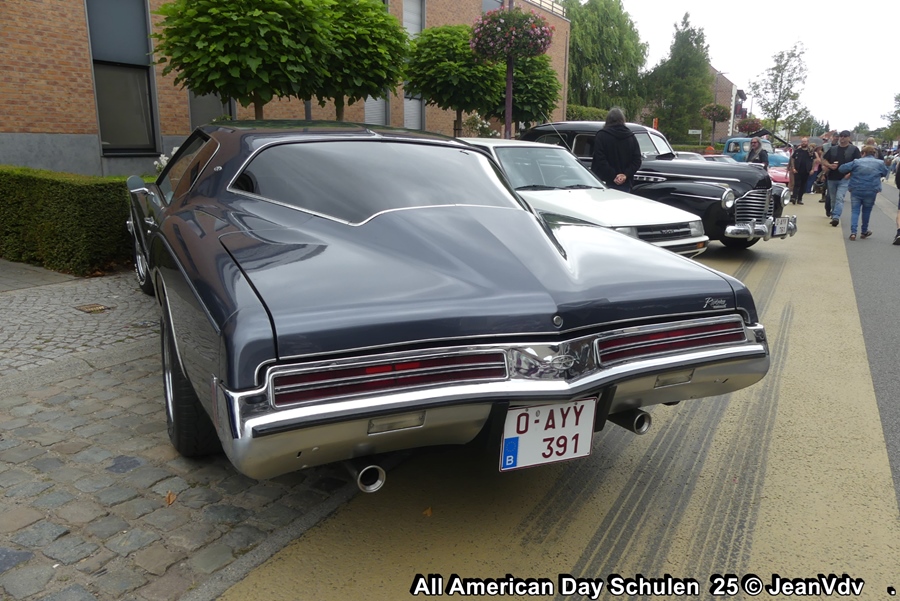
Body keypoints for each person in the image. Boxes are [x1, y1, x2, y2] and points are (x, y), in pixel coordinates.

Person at [837, 145, 889, 239]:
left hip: (856, 188)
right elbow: (885, 173)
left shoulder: (856, 162)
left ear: (863, 153)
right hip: (871, 189)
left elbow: (842, 168)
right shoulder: (880, 163)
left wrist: (852, 171)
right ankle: (864, 231)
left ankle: (853, 232)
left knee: (855, 211)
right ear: (874, 154)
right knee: (867, 211)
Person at [590, 107, 642, 192]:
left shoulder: (601, 136)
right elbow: (637, 160)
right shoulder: (631, 137)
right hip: (625, 183)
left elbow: (600, 159)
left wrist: (613, 175)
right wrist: (625, 175)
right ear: (622, 120)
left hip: (604, 182)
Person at [821, 130, 861, 226]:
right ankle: (833, 214)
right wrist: (829, 165)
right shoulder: (833, 149)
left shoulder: (854, 149)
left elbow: (858, 163)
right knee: (833, 198)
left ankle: (836, 216)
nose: (842, 138)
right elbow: (824, 159)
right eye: (841, 136)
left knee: (839, 197)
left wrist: (850, 173)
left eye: (845, 136)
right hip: (832, 177)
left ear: (849, 138)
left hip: (844, 178)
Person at [789, 137, 815, 204]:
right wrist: (793, 167)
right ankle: (794, 197)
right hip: (797, 170)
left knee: (803, 185)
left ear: (807, 142)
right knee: (796, 184)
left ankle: (799, 199)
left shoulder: (810, 152)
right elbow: (792, 159)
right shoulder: (797, 151)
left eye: (805, 142)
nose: (803, 143)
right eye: (802, 141)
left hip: (806, 171)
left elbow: (814, 161)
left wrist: (812, 169)